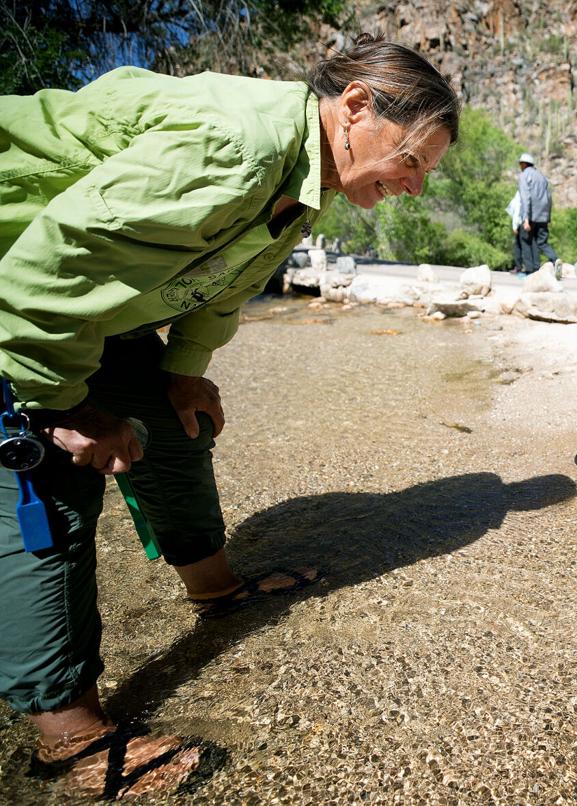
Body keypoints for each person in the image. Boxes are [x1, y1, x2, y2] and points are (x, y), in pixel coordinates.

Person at [0, 35, 458, 796]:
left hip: (75, 297)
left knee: (174, 425)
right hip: (17, 279)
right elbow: (53, 264)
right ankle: (68, 735)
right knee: (49, 480)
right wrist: (61, 404)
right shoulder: (239, 149)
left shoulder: (308, 176)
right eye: (411, 160)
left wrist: (182, 373)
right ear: (355, 106)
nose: (413, 186)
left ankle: (214, 591)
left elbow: (224, 282)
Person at [516, 152, 558, 274]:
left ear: (524, 164)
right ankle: (555, 260)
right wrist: (547, 217)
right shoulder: (541, 177)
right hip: (543, 215)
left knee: (525, 240)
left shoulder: (524, 175)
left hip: (531, 215)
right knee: (540, 242)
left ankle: (530, 270)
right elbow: (548, 197)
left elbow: (525, 197)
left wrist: (526, 219)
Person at [505, 188, 526, 272]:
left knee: (519, 246)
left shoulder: (520, 192)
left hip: (521, 223)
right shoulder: (531, 191)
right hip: (530, 222)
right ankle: (525, 267)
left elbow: (516, 210)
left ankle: (519, 267)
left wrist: (514, 226)